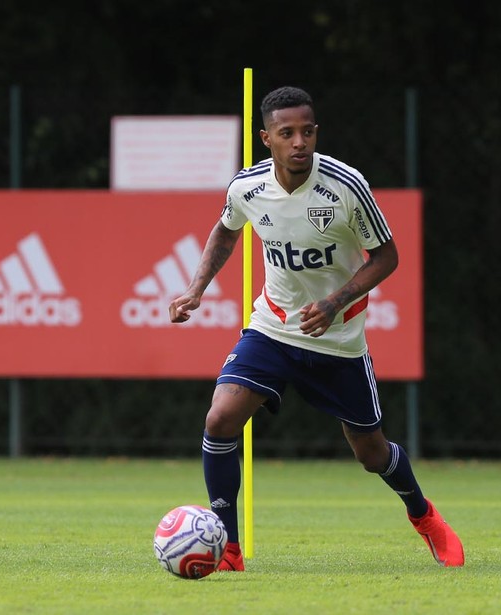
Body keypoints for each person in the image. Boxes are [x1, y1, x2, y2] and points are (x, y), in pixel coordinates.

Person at [168, 86, 464, 570]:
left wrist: (334, 301)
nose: (299, 141)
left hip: (339, 340)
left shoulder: (346, 185)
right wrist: (196, 288)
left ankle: (423, 514)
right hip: (274, 327)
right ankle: (230, 548)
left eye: (307, 131)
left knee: (372, 454)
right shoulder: (247, 187)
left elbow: (386, 255)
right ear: (268, 138)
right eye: (287, 133)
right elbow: (226, 228)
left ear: (316, 133)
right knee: (220, 419)